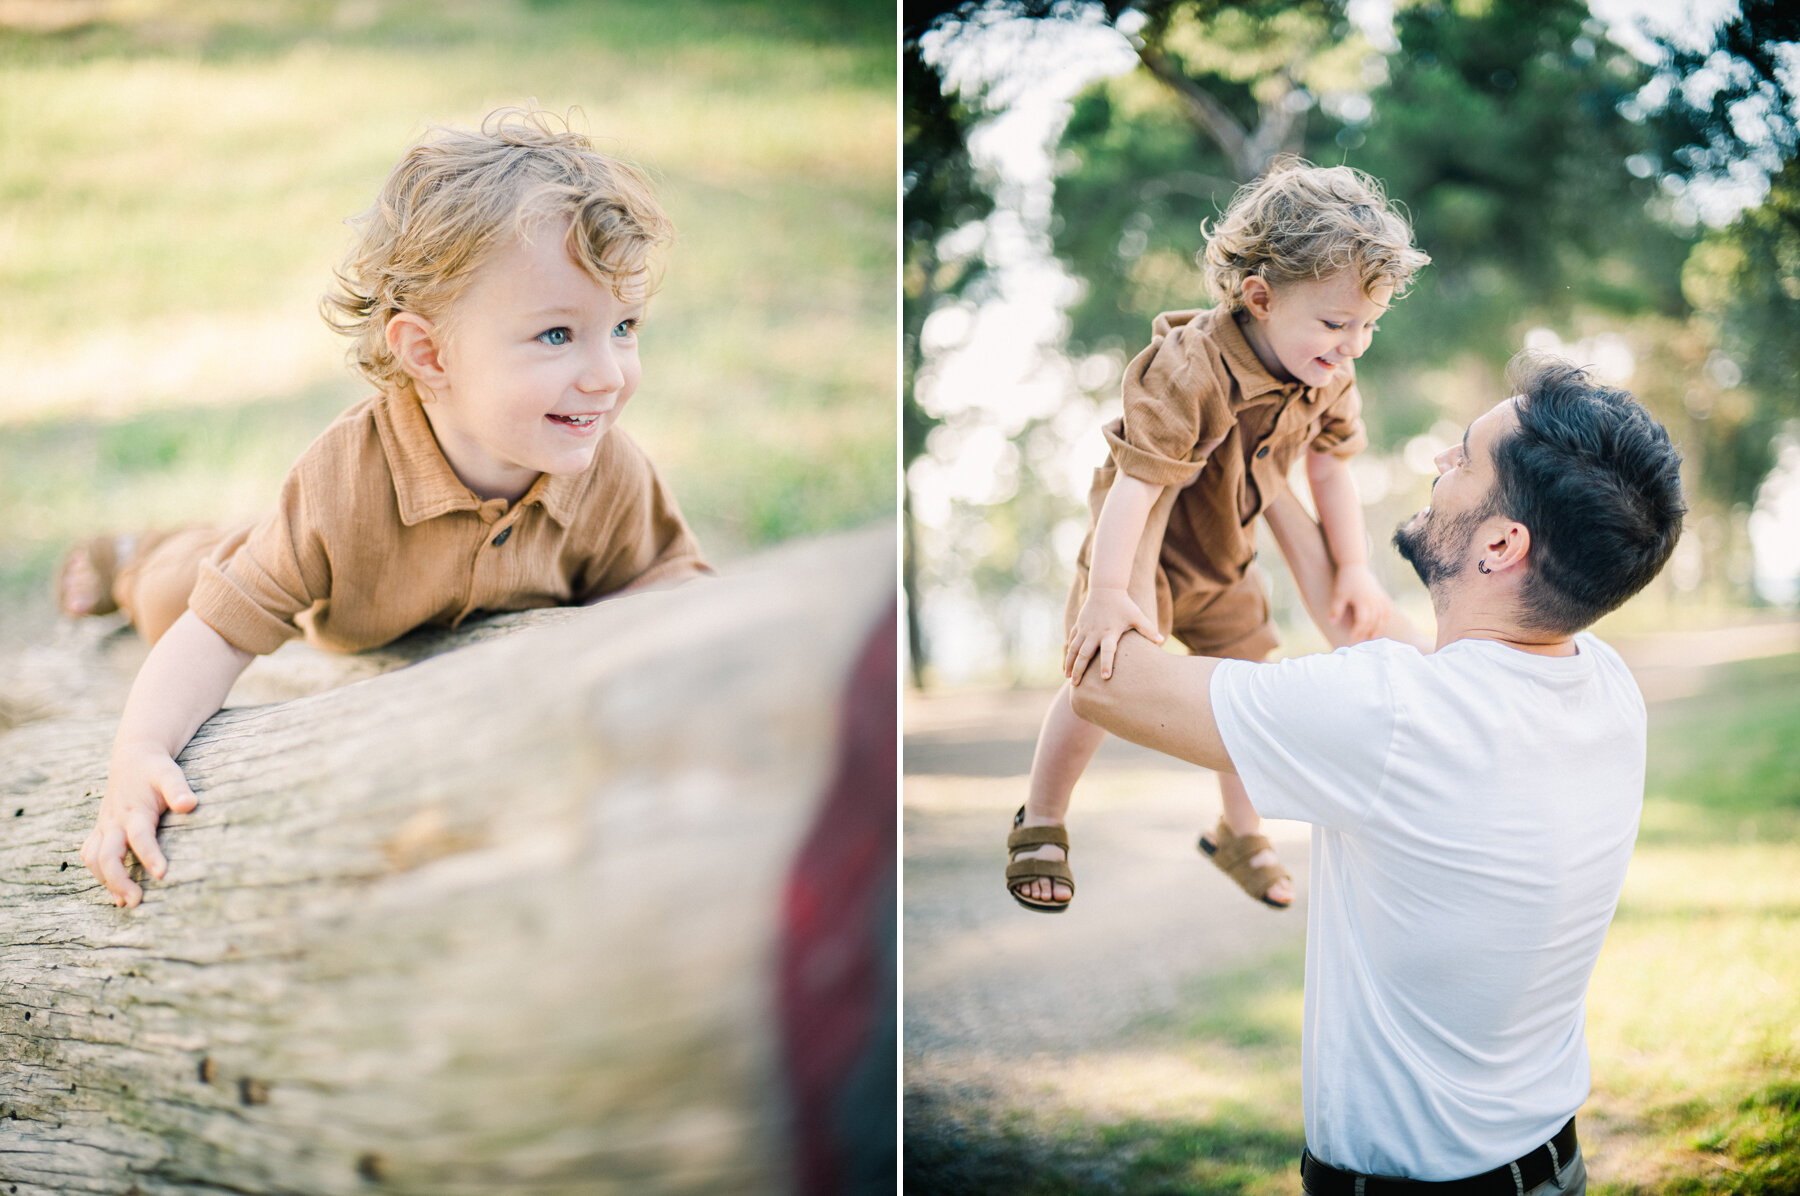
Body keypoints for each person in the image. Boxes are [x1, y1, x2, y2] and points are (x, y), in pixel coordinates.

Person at [1069, 356, 1686, 1189]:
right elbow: (1354, 622)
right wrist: (1258, 468)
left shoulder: (1396, 716)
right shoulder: (1601, 682)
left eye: (1464, 458)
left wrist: (1151, 476)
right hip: (1549, 1167)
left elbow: (1109, 683)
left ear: (1503, 543)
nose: (1440, 462)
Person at [73, 107, 709, 909]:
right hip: (336, 614)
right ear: (429, 353)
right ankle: (130, 555)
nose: (608, 374)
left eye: (623, 326)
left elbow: (673, 579)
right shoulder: (349, 476)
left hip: (455, 646)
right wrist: (137, 752)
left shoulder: (606, 469)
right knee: (177, 597)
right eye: (558, 336)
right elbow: (213, 634)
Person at [1007, 160, 1430, 913]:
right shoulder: (1190, 367)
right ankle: (1041, 814)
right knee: (1098, 669)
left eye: (1370, 324)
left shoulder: (1327, 370)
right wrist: (1107, 596)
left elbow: (1330, 469)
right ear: (1259, 298)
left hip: (1225, 554)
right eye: (1337, 323)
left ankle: (1238, 831)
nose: (1354, 344)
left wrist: (1357, 569)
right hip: (1143, 548)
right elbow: (1135, 486)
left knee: (1244, 677)